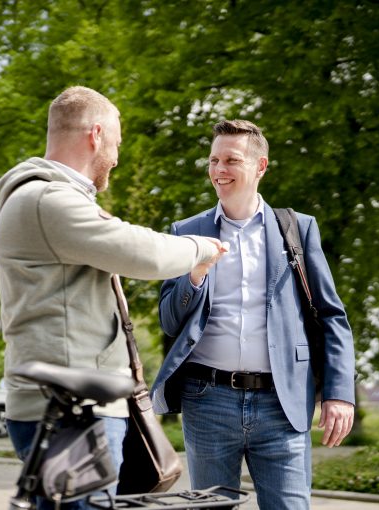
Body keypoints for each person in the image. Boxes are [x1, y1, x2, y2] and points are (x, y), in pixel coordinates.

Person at [0, 86, 225, 509]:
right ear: (96, 135)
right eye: (116, 142)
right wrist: (204, 247)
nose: (116, 156)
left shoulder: (48, 198)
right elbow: (143, 252)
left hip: (68, 409)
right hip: (70, 412)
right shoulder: (48, 199)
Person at [150, 119, 356, 509]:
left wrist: (339, 394)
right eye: (213, 160)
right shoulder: (186, 231)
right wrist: (193, 278)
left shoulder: (297, 229)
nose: (218, 171)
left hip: (283, 402)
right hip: (207, 400)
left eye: (231, 160)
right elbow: (168, 320)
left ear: (260, 166)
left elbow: (331, 316)